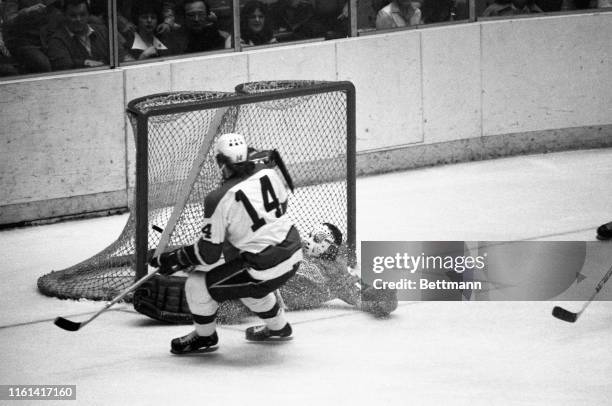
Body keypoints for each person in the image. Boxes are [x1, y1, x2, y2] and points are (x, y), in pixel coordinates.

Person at [148, 135, 303, 354]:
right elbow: (281, 206)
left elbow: (208, 254)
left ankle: (205, 337)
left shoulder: (218, 198)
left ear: (220, 162)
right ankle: (278, 328)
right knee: (245, 285)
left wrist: (176, 259)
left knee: (198, 283)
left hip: (263, 267)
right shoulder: (268, 172)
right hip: (294, 253)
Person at [135, 222, 398, 325]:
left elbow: (360, 299)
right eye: (310, 235)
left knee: (232, 306)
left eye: (318, 239)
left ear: (332, 247)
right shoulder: (299, 252)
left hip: (262, 296)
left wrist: (381, 302)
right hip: (257, 275)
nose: (309, 240)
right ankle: (181, 267)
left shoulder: (338, 277)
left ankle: (182, 303)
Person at [46, 0, 132, 71]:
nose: (78, 19)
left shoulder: (103, 31)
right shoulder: (56, 40)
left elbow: (120, 54)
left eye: (82, 15)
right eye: (73, 16)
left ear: (88, 15)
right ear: (64, 16)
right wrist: (85, 62)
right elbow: (63, 65)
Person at [1, 0, 63, 73]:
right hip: (23, 41)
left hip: (51, 38)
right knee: (42, 65)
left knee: (63, 62)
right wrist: (28, 11)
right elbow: (8, 20)